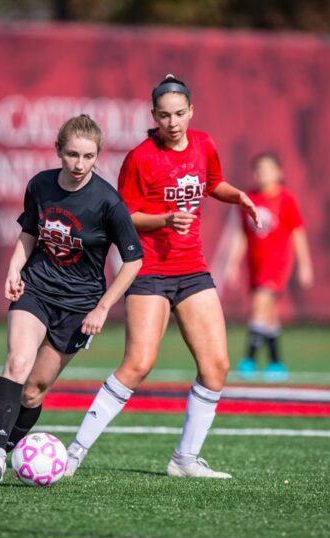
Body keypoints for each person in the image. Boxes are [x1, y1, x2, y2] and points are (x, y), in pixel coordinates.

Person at [64, 74, 260, 480]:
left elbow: (211, 183)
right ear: (153, 115)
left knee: (216, 366)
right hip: (147, 268)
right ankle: (74, 452)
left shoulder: (204, 144)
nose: (173, 122)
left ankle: (184, 460)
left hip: (192, 270)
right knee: (138, 363)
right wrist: (166, 219)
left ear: (192, 111)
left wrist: (237, 195)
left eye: (180, 113)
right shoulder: (140, 157)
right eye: (165, 115)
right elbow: (124, 219)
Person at [0, 114, 143, 485]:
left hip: (79, 306)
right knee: (17, 363)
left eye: (88, 156)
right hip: (36, 288)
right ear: (58, 152)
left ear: (98, 156)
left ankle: (13, 450)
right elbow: (29, 232)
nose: (79, 164)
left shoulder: (107, 202)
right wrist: (14, 269)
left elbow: (134, 260)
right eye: (72, 155)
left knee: (33, 392)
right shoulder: (40, 186)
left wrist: (102, 307)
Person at [228, 153, 314, 380]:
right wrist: (233, 263)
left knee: (260, 305)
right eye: (258, 169)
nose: (262, 174)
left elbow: (298, 233)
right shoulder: (249, 199)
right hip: (255, 264)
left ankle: (249, 359)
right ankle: (277, 363)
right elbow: (242, 234)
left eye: (268, 169)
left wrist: (305, 265)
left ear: (279, 173)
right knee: (268, 313)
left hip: (277, 264)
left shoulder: (286, 199)